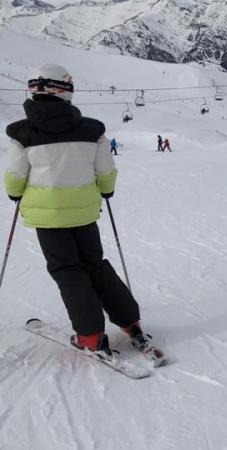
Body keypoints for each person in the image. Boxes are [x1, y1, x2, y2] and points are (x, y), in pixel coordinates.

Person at [4, 64, 156, 359]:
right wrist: (106, 189)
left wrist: (14, 194)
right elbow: (106, 170)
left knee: (67, 270)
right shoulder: (92, 129)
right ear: (67, 92)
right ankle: (129, 321)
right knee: (94, 264)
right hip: (85, 213)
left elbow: (14, 175)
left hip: (48, 218)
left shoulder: (21, 133)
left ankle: (90, 335)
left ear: (33, 90)